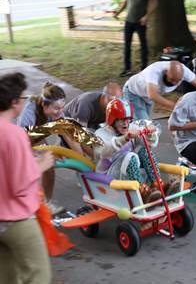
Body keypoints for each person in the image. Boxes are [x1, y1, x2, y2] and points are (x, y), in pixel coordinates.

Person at [0, 72, 54, 284]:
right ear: (14, 102)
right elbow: (20, 185)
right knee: (38, 275)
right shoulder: (14, 134)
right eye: (22, 98)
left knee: (8, 276)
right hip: (16, 219)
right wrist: (41, 165)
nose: (24, 102)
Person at [17, 82, 79, 214]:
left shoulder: (57, 114)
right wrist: (34, 156)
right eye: (56, 108)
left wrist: (81, 160)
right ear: (44, 105)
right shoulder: (29, 112)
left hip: (38, 136)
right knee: (30, 171)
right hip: (22, 140)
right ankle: (24, 204)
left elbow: (69, 138)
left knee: (49, 167)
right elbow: (23, 140)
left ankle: (46, 202)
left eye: (62, 108)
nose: (60, 112)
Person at [94, 99, 170, 202]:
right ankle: (142, 191)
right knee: (130, 156)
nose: (126, 123)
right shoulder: (101, 133)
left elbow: (149, 144)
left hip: (128, 171)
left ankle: (157, 184)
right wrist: (125, 138)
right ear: (112, 120)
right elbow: (103, 151)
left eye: (128, 119)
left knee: (144, 151)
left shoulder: (131, 127)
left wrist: (150, 134)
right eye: (121, 120)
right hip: (110, 174)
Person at [113, 0, 158, 77]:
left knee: (143, 45)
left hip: (140, 22)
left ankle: (144, 69)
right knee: (127, 45)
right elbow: (124, 2)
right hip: (129, 21)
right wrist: (117, 12)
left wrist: (146, 16)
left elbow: (154, 3)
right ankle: (127, 69)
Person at [123, 60, 196, 120]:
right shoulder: (155, 70)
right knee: (144, 124)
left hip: (147, 98)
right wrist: (174, 105)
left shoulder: (184, 71)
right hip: (133, 92)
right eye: (172, 79)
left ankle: (130, 139)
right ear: (166, 72)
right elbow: (152, 94)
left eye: (178, 80)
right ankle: (124, 139)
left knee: (142, 125)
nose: (175, 83)